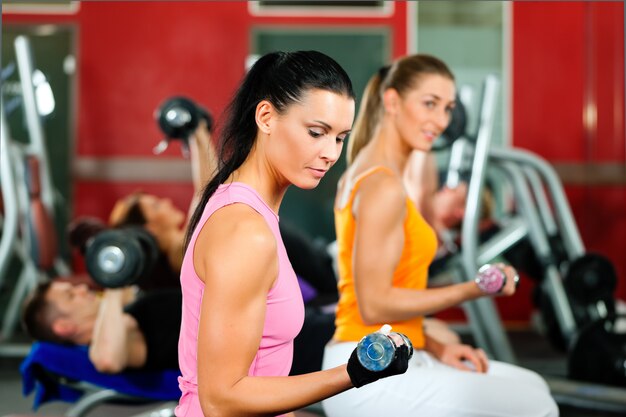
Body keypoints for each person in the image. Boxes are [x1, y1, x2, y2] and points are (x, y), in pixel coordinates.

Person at [322, 55, 559, 417]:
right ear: (392, 101)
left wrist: (436, 344)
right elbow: (373, 304)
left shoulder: (377, 175)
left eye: (447, 108)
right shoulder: (382, 185)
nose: (441, 121)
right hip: (366, 367)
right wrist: (475, 288)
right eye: (429, 104)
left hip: (395, 350)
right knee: (537, 405)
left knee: (532, 386)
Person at [176, 50, 409, 417]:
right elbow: (221, 400)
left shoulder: (245, 209)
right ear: (266, 117)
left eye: (340, 138)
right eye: (316, 132)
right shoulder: (244, 232)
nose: (330, 153)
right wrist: (354, 373)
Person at [21, 280, 181, 373]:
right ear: (64, 326)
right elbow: (108, 360)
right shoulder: (104, 345)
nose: (82, 288)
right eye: (71, 295)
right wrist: (113, 287)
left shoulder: (119, 315)